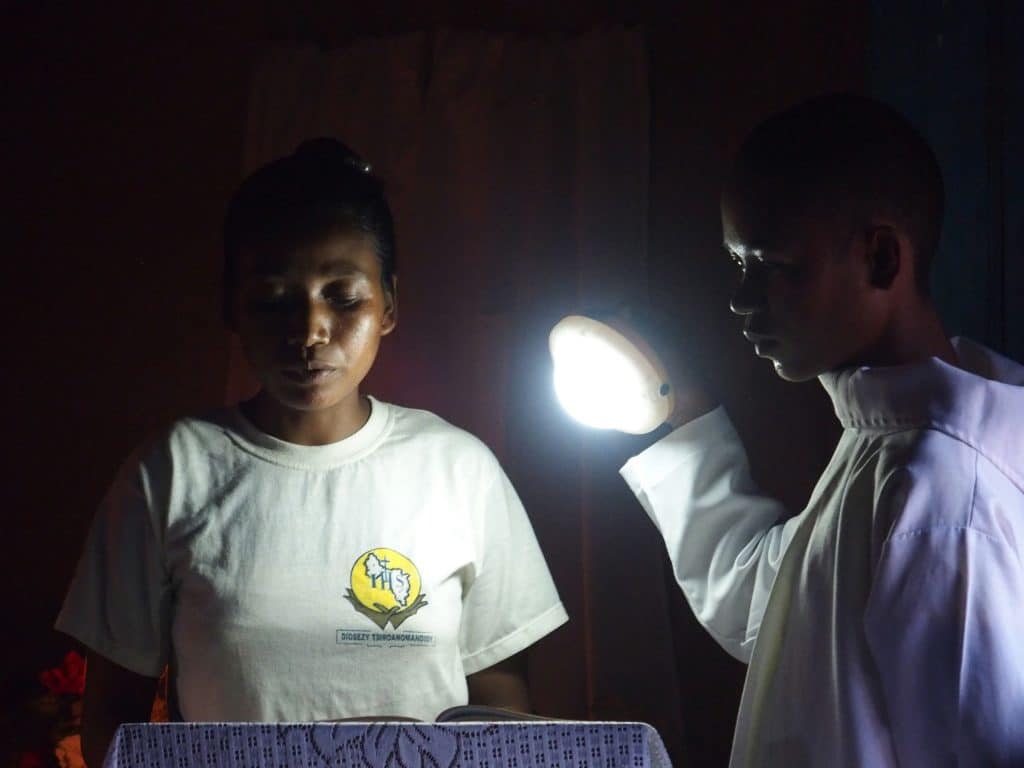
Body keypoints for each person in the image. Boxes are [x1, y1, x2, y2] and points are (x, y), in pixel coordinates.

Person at [56, 139, 568, 768]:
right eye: (273, 300)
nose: (309, 331)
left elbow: (499, 708)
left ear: (389, 304)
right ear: (232, 308)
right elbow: (113, 724)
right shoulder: (172, 470)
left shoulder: (458, 470)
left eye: (343, 296)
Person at [619, 93, 1024, 766]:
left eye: (774, 266)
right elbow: (771, 607)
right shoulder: (883, 440)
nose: (740, 299)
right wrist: (681, 417)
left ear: (880, 259)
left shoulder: (946, 495)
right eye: (738, 264)